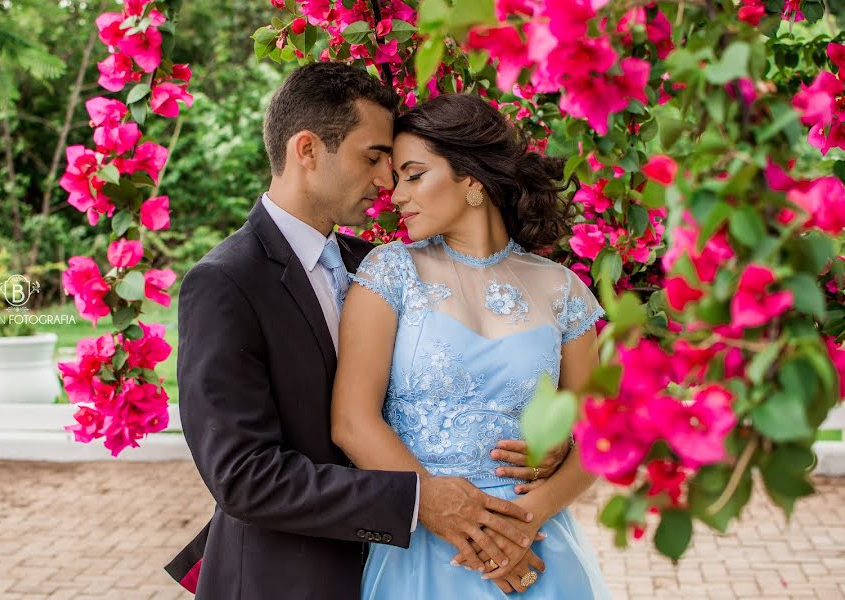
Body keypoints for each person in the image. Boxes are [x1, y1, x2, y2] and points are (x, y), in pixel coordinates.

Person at [164, 62, 572, 599]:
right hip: (290, 578)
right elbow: (244, 476)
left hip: (404, 571)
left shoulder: (380, 266)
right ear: (307, 150)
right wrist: (417, 499)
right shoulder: (225, 282)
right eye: (374, 156)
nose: (386, 181)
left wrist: (554, 445)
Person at [331, 93, 611, 598]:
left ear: (472, 179)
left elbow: (598, 433)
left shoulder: (562, 289)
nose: (395, 195)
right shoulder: (389, 273)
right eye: (396, 179)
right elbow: (353, 421)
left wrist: (524, 521)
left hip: (537, 547)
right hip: (426, 549)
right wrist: (451, 515)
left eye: (414, 175)